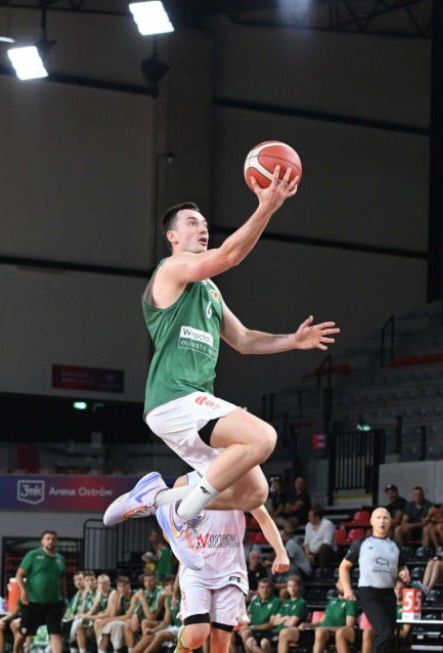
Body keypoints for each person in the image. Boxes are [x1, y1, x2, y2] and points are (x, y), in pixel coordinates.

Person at [105, 176, 337, 571]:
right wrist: (267, 206)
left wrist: (292, 341)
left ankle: (158, 499)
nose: (202, 227)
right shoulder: (172, 269)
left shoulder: (210, 290)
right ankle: (187, 510)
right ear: (173, 237)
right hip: (174, 395)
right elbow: (229, 256)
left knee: (253, 493)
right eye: (192, 223)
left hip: (191, 404)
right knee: (264, 436)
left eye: (204, 223)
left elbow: (244, 340)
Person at [171, 471, 289, 653]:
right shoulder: (184, 481)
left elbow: (263, 518)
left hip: (230, 570)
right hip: (196, 568)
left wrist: (280, 551)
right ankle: (182, 644)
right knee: (196, 634)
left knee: (220, 645)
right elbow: (170, 525)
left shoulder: (240, 477)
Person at [339, 508, 411, 653]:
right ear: (371, 522)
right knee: (384, 633)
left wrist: (404, 573)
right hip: (369, 593)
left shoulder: (395, 545)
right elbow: (344, 567)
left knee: (389, 637)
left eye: (385, 518)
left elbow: (402, 566)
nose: (382, 521)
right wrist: (347, 590)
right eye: (378, 518)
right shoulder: (362, 543)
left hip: (389, 594)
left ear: (390, 522)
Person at [15, 531, 67, 653]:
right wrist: (23, 592)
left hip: (53, 602)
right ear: (42, 541)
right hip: (34, 601)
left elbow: (63, 581)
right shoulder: (33, 555)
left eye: (53, 539)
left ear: (56, 542)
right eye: (48, 539)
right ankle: (15, 651)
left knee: (56, 632)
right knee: (24, 631)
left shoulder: (60, 559)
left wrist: (63, 601)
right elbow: (19, 575)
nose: (50, 541)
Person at [278, 580, 357, 653]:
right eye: (341, 583)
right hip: (319, 632)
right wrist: (307, 625)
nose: (343, 585)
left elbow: (349, 628)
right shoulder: (332, 601)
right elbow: (320, 622)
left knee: (320, 632)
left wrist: (327, 628)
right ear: (337, 585)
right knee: (284, 632)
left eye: (346, 583)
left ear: (350, 585)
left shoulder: (351, 602)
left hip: (334, 634)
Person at [255, 576, 307, 653]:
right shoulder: (285, 603)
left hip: (289, 633)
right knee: (258, 641)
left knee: (265, 642)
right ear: (287, 588)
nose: (292, 588)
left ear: (299, 587)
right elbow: (275, 622)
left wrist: (281, 620)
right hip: (276, 631)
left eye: (295, 586)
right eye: (290, 586)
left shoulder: (301, 603)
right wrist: (285, 618)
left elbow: (291, 624)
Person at [130, 574, 179, 653]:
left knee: (160, 635)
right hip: (173, 627)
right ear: (165, 587)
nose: (170, 586)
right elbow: (166, 622)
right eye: (167, 585)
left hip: (183, 628)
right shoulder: (168, 599)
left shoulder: (182, 596)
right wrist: (153, 630)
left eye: (172, 583)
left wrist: (142, 598)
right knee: (148, 636)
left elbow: (151, 617)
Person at [93, 575, 135, 653]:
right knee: (103, 626)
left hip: (134, 621)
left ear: (129, 585)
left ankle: (118, 650)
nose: (122, 589)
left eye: (124, 586)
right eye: (119, 586)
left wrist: (107, 620)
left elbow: (128, 616)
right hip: (125, 621)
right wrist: (117, 598)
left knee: (115, 625)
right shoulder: (120, 596)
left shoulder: (134, 595)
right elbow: (114, 614)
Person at [240, 579, 282, 653]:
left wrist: (253, 627)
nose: (264, 590)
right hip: (254, 631)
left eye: (267, 587)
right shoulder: (255, 601)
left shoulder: (276, 601)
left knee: (248, 636)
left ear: (272, 589)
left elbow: (271, 624)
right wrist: (246, 625)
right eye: (262, 587)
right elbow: (249, 618)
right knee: (232, 635)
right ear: (258, 589)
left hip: (267, 632)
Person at [125, 571, 163, 650]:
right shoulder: (146, 592)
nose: (148, 583)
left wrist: (142, 598)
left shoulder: (160, 592)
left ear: (156, 581)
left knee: (145, 622)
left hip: (160, 622)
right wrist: (135, 616)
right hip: (147, 621)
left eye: (151, 580)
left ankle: (141, 649)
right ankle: (131, 649)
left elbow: (151, 617)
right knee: (128, 623)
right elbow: (137, 610)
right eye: (146, 581)